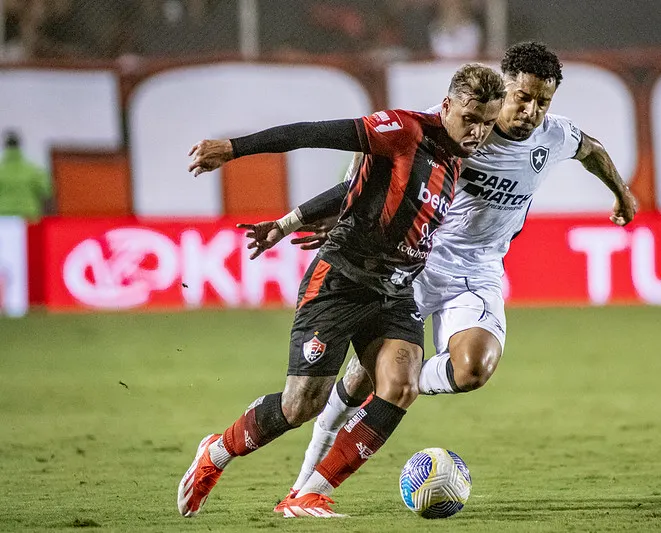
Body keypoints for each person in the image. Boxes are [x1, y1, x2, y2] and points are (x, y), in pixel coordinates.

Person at [239, 41, 638, 511]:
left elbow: (592, 150)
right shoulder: (454, 127)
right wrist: (327, 213)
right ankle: (305, 488)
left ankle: (391, 381)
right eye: (522, 97)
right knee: (360, 383)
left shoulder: (555, 136)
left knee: (472, 370)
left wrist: (622, 193)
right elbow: (372, 175)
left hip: (479, 270)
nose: (530, 111)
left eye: (542, 102)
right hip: (415, 263)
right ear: (503, 87)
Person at [177, 63, 506, 519]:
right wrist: (232, 149)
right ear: (447, 105)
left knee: (401, 384)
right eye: (471, 118)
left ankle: (307, 494)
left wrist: (290, 222)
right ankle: (217, 451)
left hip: (395, 290)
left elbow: (352, 189)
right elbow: (311, 132)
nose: (478, 131)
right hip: (342, 280)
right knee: (300, 405)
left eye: (488, 123)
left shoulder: (455, 158)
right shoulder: (404, 131)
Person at [0, 131, 51, 220]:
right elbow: (47, 192)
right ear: (19, 146)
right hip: (28, 217)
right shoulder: (34, 170)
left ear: (5, 146)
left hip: (3, 218)